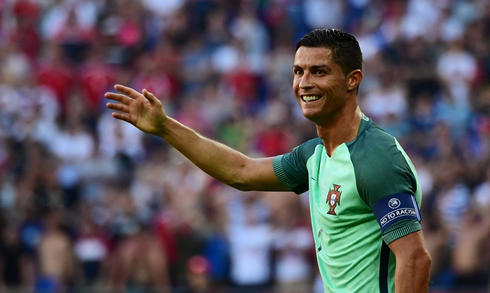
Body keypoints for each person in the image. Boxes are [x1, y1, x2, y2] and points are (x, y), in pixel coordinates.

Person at [105, 28, 432, 292]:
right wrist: (164, 127)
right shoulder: (316, 155)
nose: (305, 83)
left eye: (319, 72)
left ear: (352, 79)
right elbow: (241, 172)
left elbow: (415, 259)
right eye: (298, 72)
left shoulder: (375, 158)